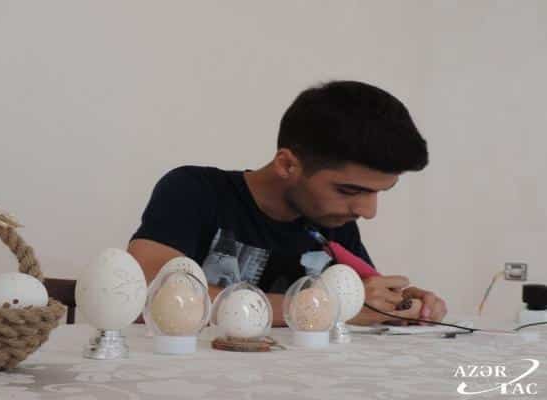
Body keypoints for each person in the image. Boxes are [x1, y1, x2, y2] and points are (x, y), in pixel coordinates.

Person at [128, 80, 447, 326]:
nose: (367, 211)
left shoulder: (335, 221)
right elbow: (148, 293)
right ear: (287, 165)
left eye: (379, 192)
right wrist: (330, 307)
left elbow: (365, 301)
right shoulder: (194, 190)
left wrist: (399, 304)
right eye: (349, 190)